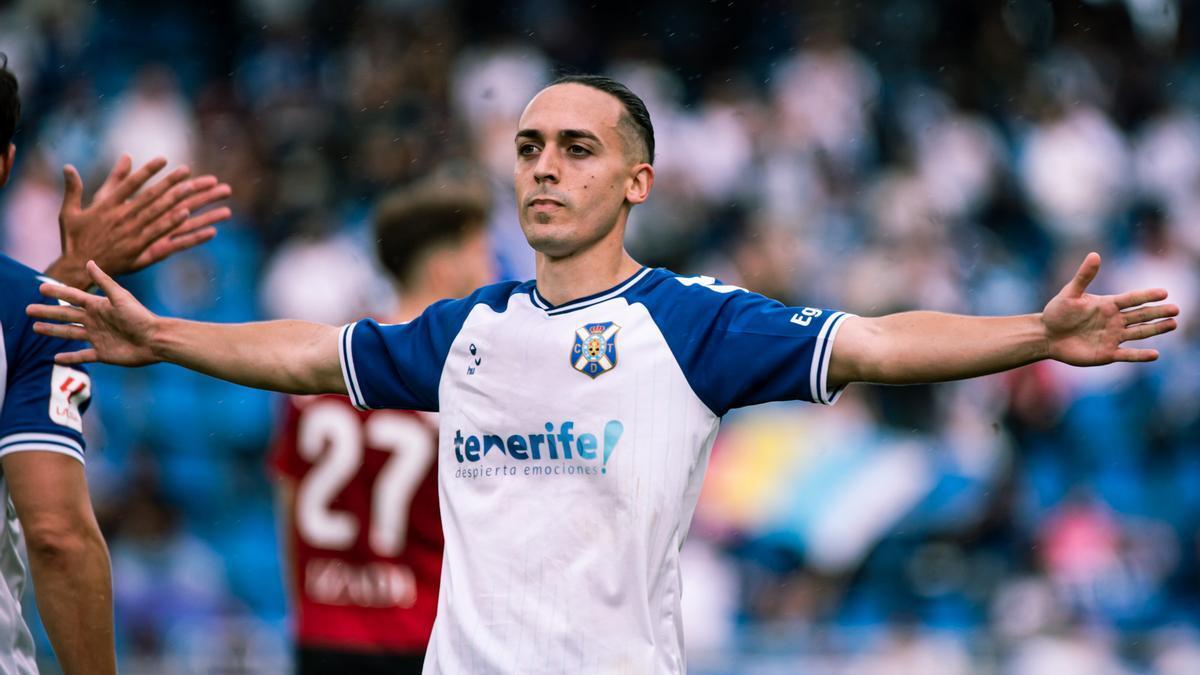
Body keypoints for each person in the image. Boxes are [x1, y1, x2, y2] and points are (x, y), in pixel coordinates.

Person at [29, 75, 1179, 674]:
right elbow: (311, 356)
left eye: (577, 148)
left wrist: (1034, 333)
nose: (544, 167)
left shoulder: (691, 326)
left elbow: (876, 340)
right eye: (528, 146)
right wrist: (162, 338)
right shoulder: (466, 329)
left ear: (636, 180)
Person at [0, 57, 230, 674]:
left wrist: (57, 288)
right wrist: (54, 294)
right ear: (5, 164)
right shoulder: (23, 318)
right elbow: (58, 538)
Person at [269, 176, 493, 674]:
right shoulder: (462, 379)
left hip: (324, 634)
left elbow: (287, 498)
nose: (493, 271)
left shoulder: (323, 367)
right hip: (424, 634)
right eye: (482, 254)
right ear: (443, 267)